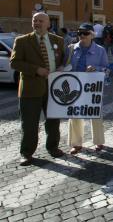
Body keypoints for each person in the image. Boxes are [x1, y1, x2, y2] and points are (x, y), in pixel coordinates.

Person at [10, 12, 66, 166]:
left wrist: (62, 67)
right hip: (30, 89)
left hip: (53, 89)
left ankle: (53, 147)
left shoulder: (58, 41)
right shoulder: (21, 41)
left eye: (41, 21)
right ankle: (26, 153)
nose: (37, 23)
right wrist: (36, 69)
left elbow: (64, 59)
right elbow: (14, 63)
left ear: (48, 24)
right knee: (29, 124)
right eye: (35, 20)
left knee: (53, 121)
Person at [66, 23, 108, 154]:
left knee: (95, 114)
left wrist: (97, 69)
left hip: (92, 87)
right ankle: (76, 143)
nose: (82, 36)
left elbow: (107, 70)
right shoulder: (71, 48)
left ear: (92, 35)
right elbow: (65, 65)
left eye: (85, 33)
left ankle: (99, 141)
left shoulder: (100, 50)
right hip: (75, 87)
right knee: (75, 115)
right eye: (79, 33)